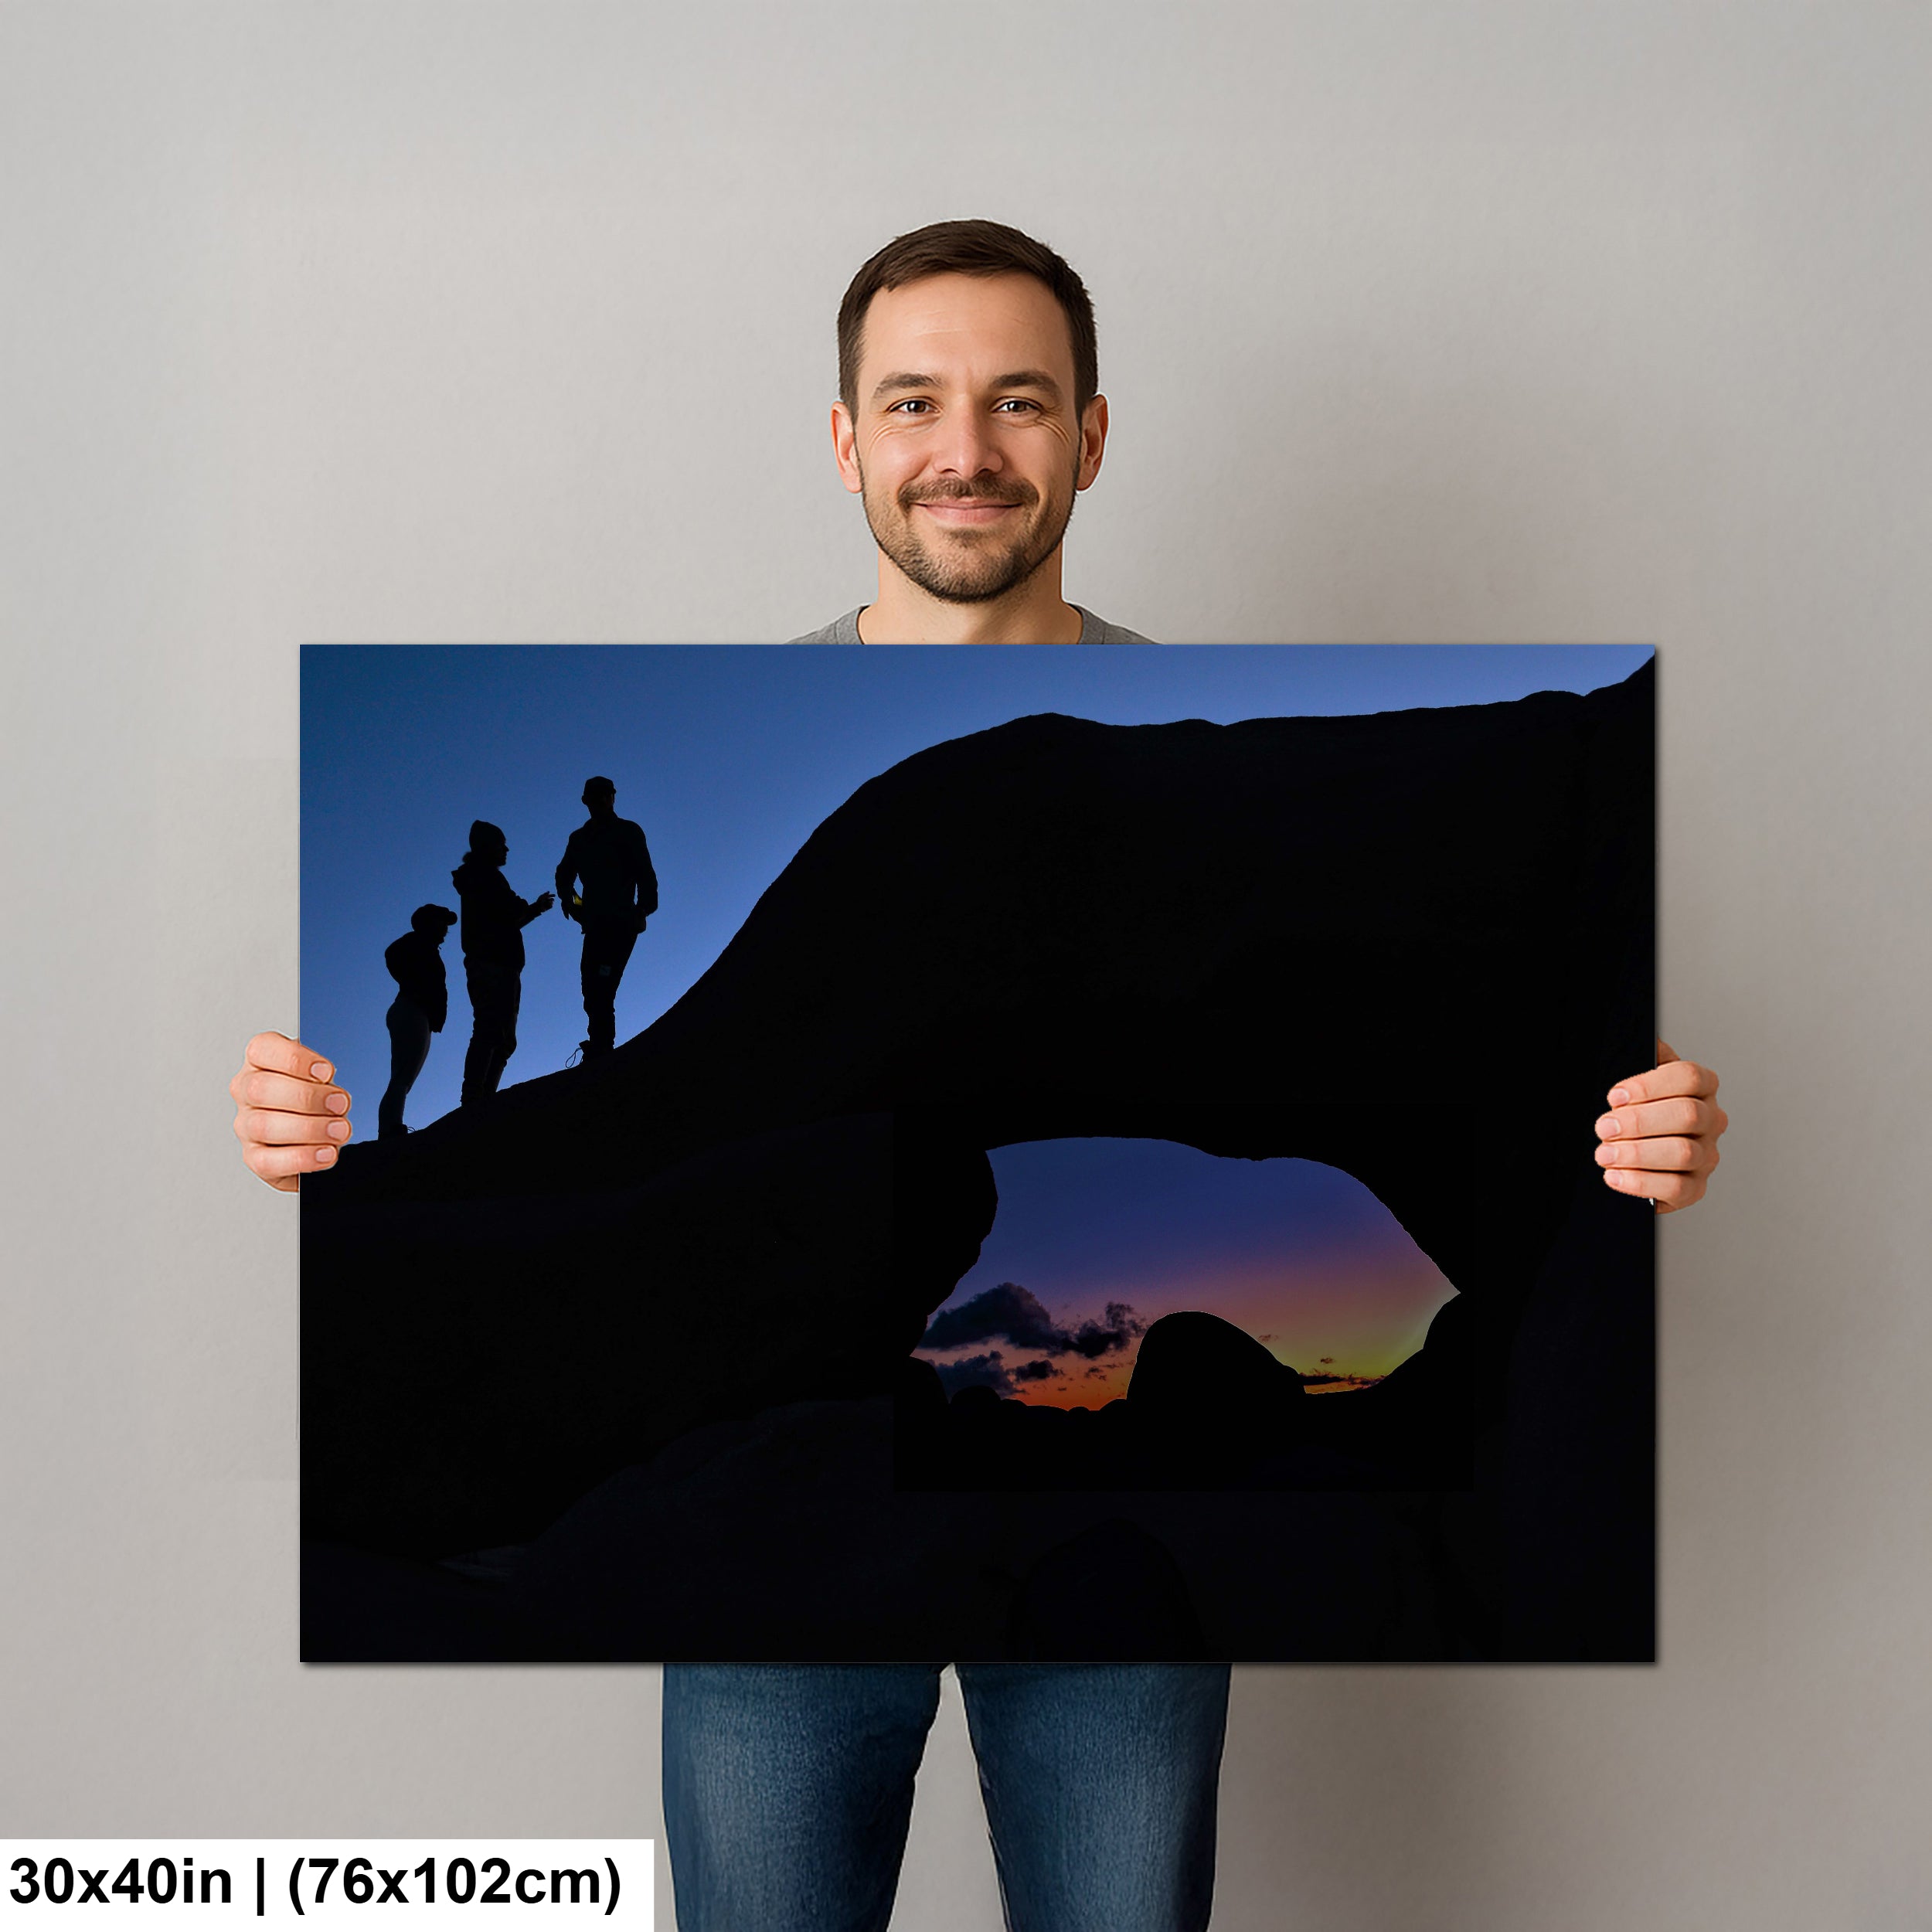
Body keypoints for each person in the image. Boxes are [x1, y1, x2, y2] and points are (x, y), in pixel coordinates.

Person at [230, 219, 1730, 1930]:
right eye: (913, 401)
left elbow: (1526, 1082)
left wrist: (1647, 1137)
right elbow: (602, 1147)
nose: (965, 449)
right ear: (844, 438)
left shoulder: (1212, 760)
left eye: (1018, 400)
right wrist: (296, 1133)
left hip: (1115, 1549)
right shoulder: (754, 730)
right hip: (780, 1551)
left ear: (1089, 435)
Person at [449, 819, 554, 1107]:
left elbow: (509, 917)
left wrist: (534, 909)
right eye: (501, 844)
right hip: (492, 964)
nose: (506, 850)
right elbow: (511, 911)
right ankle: (475, 1098)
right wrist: (529, 908)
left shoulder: (480, 878)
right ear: (487, 847)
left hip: (498, 964)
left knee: (501, 1036)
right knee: (492, 1030)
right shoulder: (486, 877)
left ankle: (482, 1098)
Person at [554, 776, 658, 1061]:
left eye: (606, 794)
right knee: (591, 985)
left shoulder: (628, 831)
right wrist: (575, 904)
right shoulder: (580, 839)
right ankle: (599, 1045)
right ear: (585, 801)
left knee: (602, 984)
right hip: (596, 925)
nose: (601, 800)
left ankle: (601, 1046)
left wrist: (643, 909)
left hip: (621, 923)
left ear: (613, 796)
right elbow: (564, 876)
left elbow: (645, 874)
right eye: (595, 795)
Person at [376, 902, 457, 1139]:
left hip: (416, 1012)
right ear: (429, 923)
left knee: (404, 1077)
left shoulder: (423, 947)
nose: (446, 929)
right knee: (402, 1077)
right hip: (411, 1009)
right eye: (442, 922)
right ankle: (390, 1130)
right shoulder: (416, 944)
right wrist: (414, 986)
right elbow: (392, 954)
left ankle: (391, 1128)